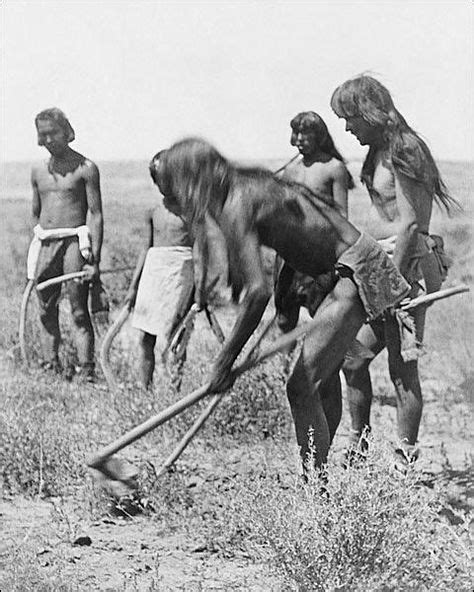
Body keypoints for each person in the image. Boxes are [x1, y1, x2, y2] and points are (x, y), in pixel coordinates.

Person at [153, 137, 410, 471]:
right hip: (347, 269)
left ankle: (315, 492)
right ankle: (320, 482)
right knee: (323, 378)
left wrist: (225, 360)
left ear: (194, 179)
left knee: (301, 387)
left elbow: (257, 293)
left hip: (353, 272)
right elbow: (298, 237)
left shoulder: (237, 201)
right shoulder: (245, 187)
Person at [331, 75, 457, 467]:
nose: (348, 128)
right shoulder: (378, 151)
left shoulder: (406, 148)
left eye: (350, 118)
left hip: (408, 272)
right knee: (352, 357)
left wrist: (394, 286)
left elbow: (409, 225)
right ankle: (359, 444)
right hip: (380, 266)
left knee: (402, 371)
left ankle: (403, 462)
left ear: (369, 112)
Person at [28, 108, 104, 380]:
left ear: (67, 132)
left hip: (74, 242)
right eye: (43, 134)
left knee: (79, 308)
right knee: (45, 308)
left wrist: (93, 259)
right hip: (46, 243)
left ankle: (86, 370)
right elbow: (36, 213)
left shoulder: (86, 168)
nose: (49, 139)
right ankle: (51, 366)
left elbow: (96, 214)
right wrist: (35, 251)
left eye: (54, 133)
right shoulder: (38, 170)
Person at [275, 111, 354, 332]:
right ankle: (285, 366)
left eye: (305, 133)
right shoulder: (291, 170)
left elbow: (342, 215)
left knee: (322, 313)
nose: (299, 139)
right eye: (296, 133)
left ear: (319, 136)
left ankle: (329, 362)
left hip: (320, 254)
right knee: (284, 317)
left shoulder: (334, 168)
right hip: (290, 254)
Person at [124, 152, 195, 390]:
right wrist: (133, 287)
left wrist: (201, 288)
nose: (165, 185)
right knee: (146, 335)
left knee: (176, 336)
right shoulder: (153, 211)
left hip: (181, 274)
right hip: (153, 274)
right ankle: (144, 389)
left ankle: (175, 389)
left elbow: (202, 250)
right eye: (159, 180)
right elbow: (146, 249)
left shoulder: (192, 211)